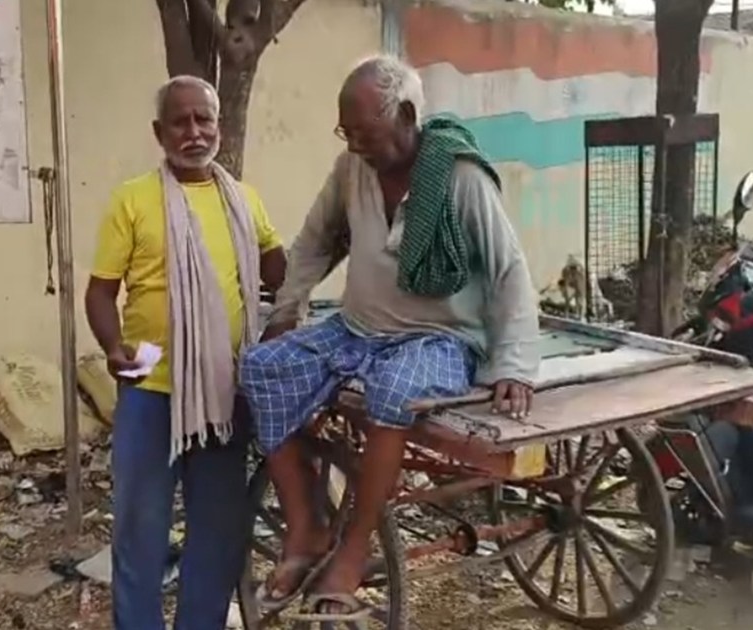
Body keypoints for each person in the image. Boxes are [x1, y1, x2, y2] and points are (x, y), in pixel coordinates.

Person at [238, 55, 541, 621]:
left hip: (438, 339)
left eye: (365, 134)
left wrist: (513, 365)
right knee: (260, 366)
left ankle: (353, 551)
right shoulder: (351, 169)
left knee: (392, 387)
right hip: (357, 328)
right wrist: (287, 308)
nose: (355, 145)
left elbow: (508, 270)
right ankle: (306, 528)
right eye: (345, 133)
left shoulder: (459, 176)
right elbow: (315, 241)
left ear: (405, 115)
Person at [85, 75, 287, 630]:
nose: (195, 132)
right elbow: (100, 292)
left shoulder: (243, 200)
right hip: (152, 391)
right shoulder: (133, 200)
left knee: (218, 537)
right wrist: (113, 347)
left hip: (223, 396)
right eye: (181, 121)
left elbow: (277, 269)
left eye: (205, 119)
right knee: (140, 535)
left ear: (218, 125)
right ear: (160, 132)